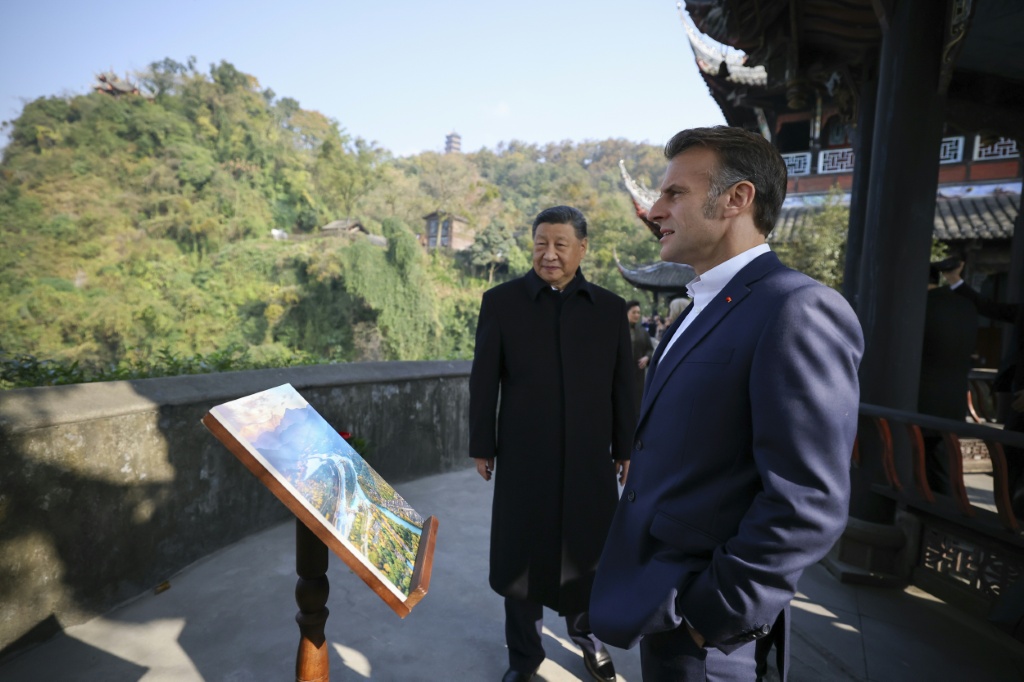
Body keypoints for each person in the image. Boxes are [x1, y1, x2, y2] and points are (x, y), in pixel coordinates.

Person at [590, 126, 864, 681]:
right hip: (659, 597)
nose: (655, 211)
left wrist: (708, 616)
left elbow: (808, 500)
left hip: (711, 636)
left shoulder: (796, 309)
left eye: (675, 193)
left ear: (737, 198)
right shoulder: (697, 310)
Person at [469, 205, 636, 682]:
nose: (549, 254)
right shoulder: (501, 302)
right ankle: (524, 658)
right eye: (541, 243)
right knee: (522, 560)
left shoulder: (608, 308)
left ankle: (589, 639)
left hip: (588, 459)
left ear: (582, 248)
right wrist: (482, 443)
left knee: (587, 556)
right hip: (525, 457)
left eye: (561, 244)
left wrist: (625, 448)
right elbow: (484, 380)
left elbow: (624, 385)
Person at [942, 261, 1024, 513]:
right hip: (1018, 398)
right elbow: (989, 307)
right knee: (1010, 459)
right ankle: (1011, 520)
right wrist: (956, 281)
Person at [917, 259, 978, 494]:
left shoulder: (920, 307)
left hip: (920, 399)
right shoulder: (965, 306)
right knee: (943, 466)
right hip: (954, 397)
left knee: (922, 467)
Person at [627, 300, 655, 416]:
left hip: (638, 374)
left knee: (637, 403)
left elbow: (650, 349)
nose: (637, 315)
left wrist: (647, 357)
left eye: (638, 312)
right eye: (634, 312)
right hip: (622, 373)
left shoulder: (643, 332)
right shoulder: (618, 330)